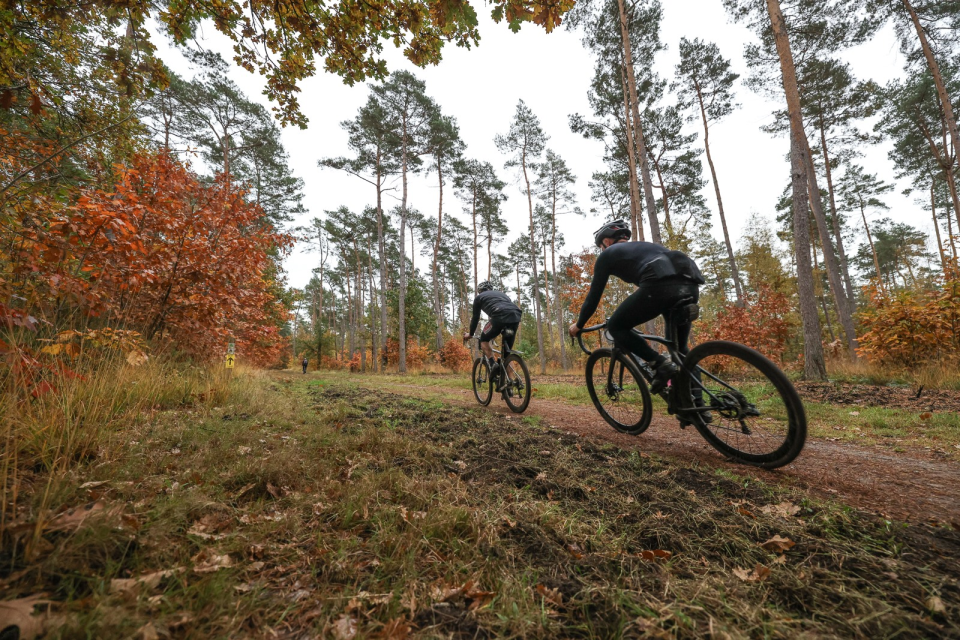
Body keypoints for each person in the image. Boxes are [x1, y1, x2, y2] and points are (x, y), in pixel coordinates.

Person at [568, 220, 709, 418]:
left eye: (601, 246)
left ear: (606, 241)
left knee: (617, 326)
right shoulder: (648, 247)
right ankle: (697, 406)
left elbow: (593, 298)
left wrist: (579, 325)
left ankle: (660, 364)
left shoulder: (607, 255)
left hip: (660, 285)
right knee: (681, 351)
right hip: (690, 286)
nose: (602, 249)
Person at [463, 281, 522, 385]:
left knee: (484, 340)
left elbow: (475, 318)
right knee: (506, 355)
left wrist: (470, 334)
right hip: (515, 316)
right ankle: (511, 382)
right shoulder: (502, 294)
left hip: (499, 315)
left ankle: (492, 363)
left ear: (480, 291)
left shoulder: (479, 298)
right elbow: (507, 309)